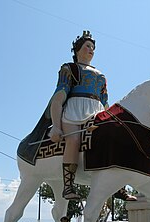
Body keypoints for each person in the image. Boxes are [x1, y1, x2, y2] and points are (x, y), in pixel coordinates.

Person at [49, 30, 136, 201]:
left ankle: (119, 186)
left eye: (93, 47)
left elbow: (105, 100)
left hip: (96, 111)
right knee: (73, 140)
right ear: (77, 49)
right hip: (74, 109)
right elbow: (58, 97)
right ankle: (68, 186)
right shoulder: (69, 69)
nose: (91, 49)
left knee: (115, 135)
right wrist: (56, 126)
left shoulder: (101, 76)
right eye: (87, 46)